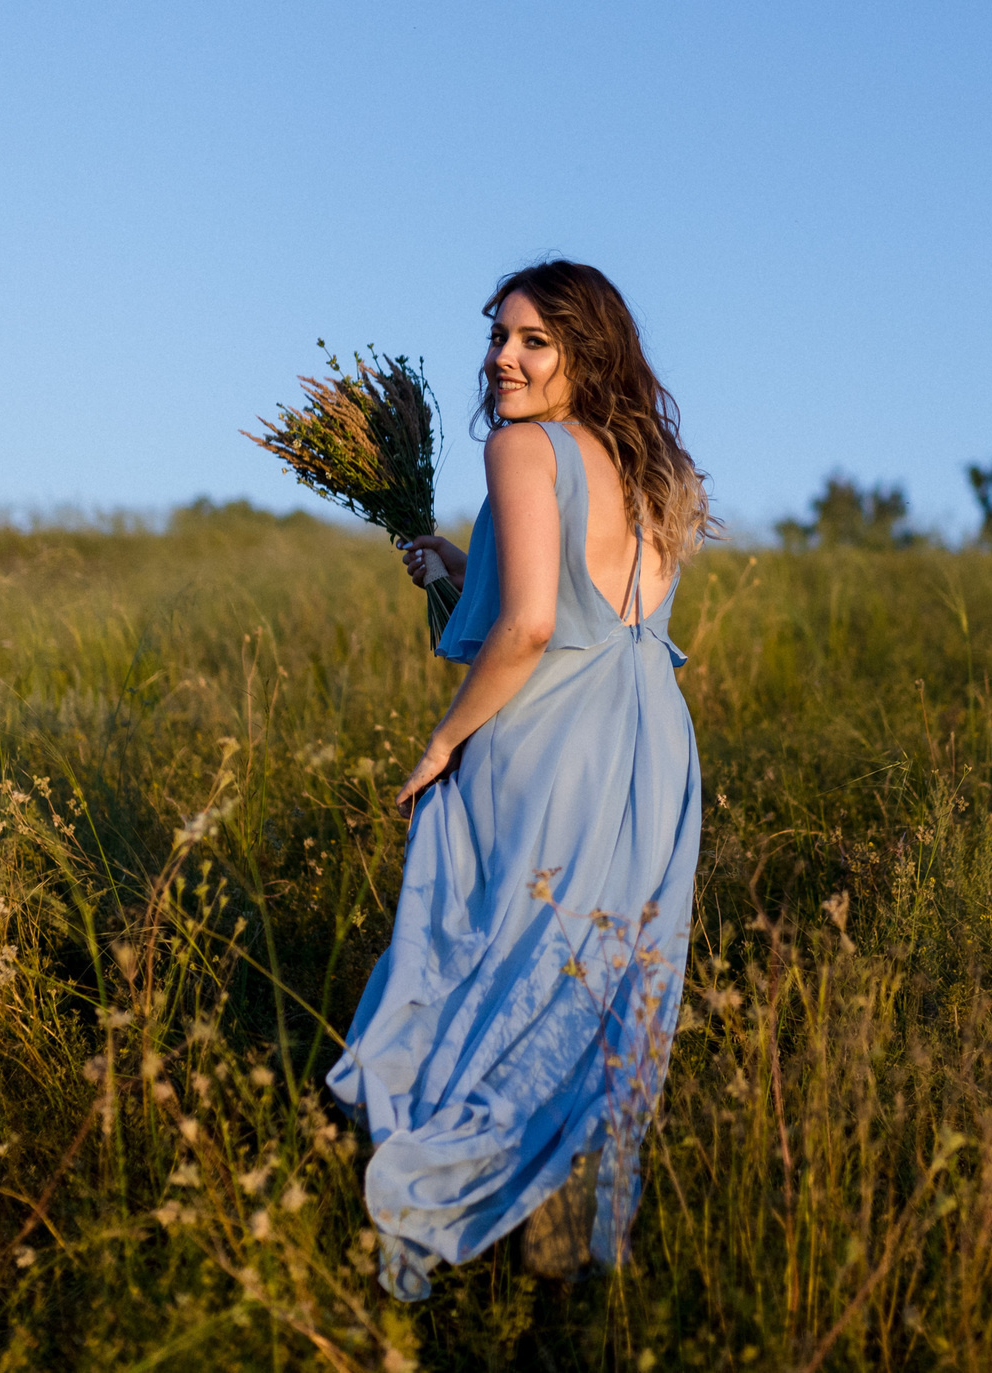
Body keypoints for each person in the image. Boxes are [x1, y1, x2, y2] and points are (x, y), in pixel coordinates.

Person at [324, 259, 712, 1299]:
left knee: (491, 960)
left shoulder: (523, 447)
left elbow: (535, 625)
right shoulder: (655, 462)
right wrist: (457, 568)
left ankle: (441, 1194)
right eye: (500, 335)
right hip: (650, 743)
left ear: (586, 351)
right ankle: (569, 1256)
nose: (503, 356)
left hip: (550, 739)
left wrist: (445, 739)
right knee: (599, 978)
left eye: (533, 340)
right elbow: (594, 604)